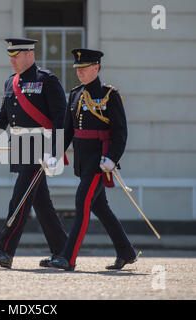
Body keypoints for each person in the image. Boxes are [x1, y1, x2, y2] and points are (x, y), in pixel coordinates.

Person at [0, 38, 68, 269]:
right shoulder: (10, 82)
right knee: (41, 203)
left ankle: (4, 250)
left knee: (20, 198)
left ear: (29, 55)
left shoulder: (46, 80)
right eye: (10, 56)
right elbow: (2, 117)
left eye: (16, 55)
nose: (12, 60)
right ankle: (64, 251)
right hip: (21, 146)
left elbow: (60, 119)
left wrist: (55, 152)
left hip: (40, 147)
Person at [48, 48, 137, 271]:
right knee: (101, 208)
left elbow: (120, 132)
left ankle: (68, 258)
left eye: (85, 68)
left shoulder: (110, 94)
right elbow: (68, 131)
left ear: (96, 68)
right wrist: (54, 154)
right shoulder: (75, 94)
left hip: (99, 163)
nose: (80, 72)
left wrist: (112, 158)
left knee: (82, 202)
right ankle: (126, 252)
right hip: (83, 161)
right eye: (78, 69)